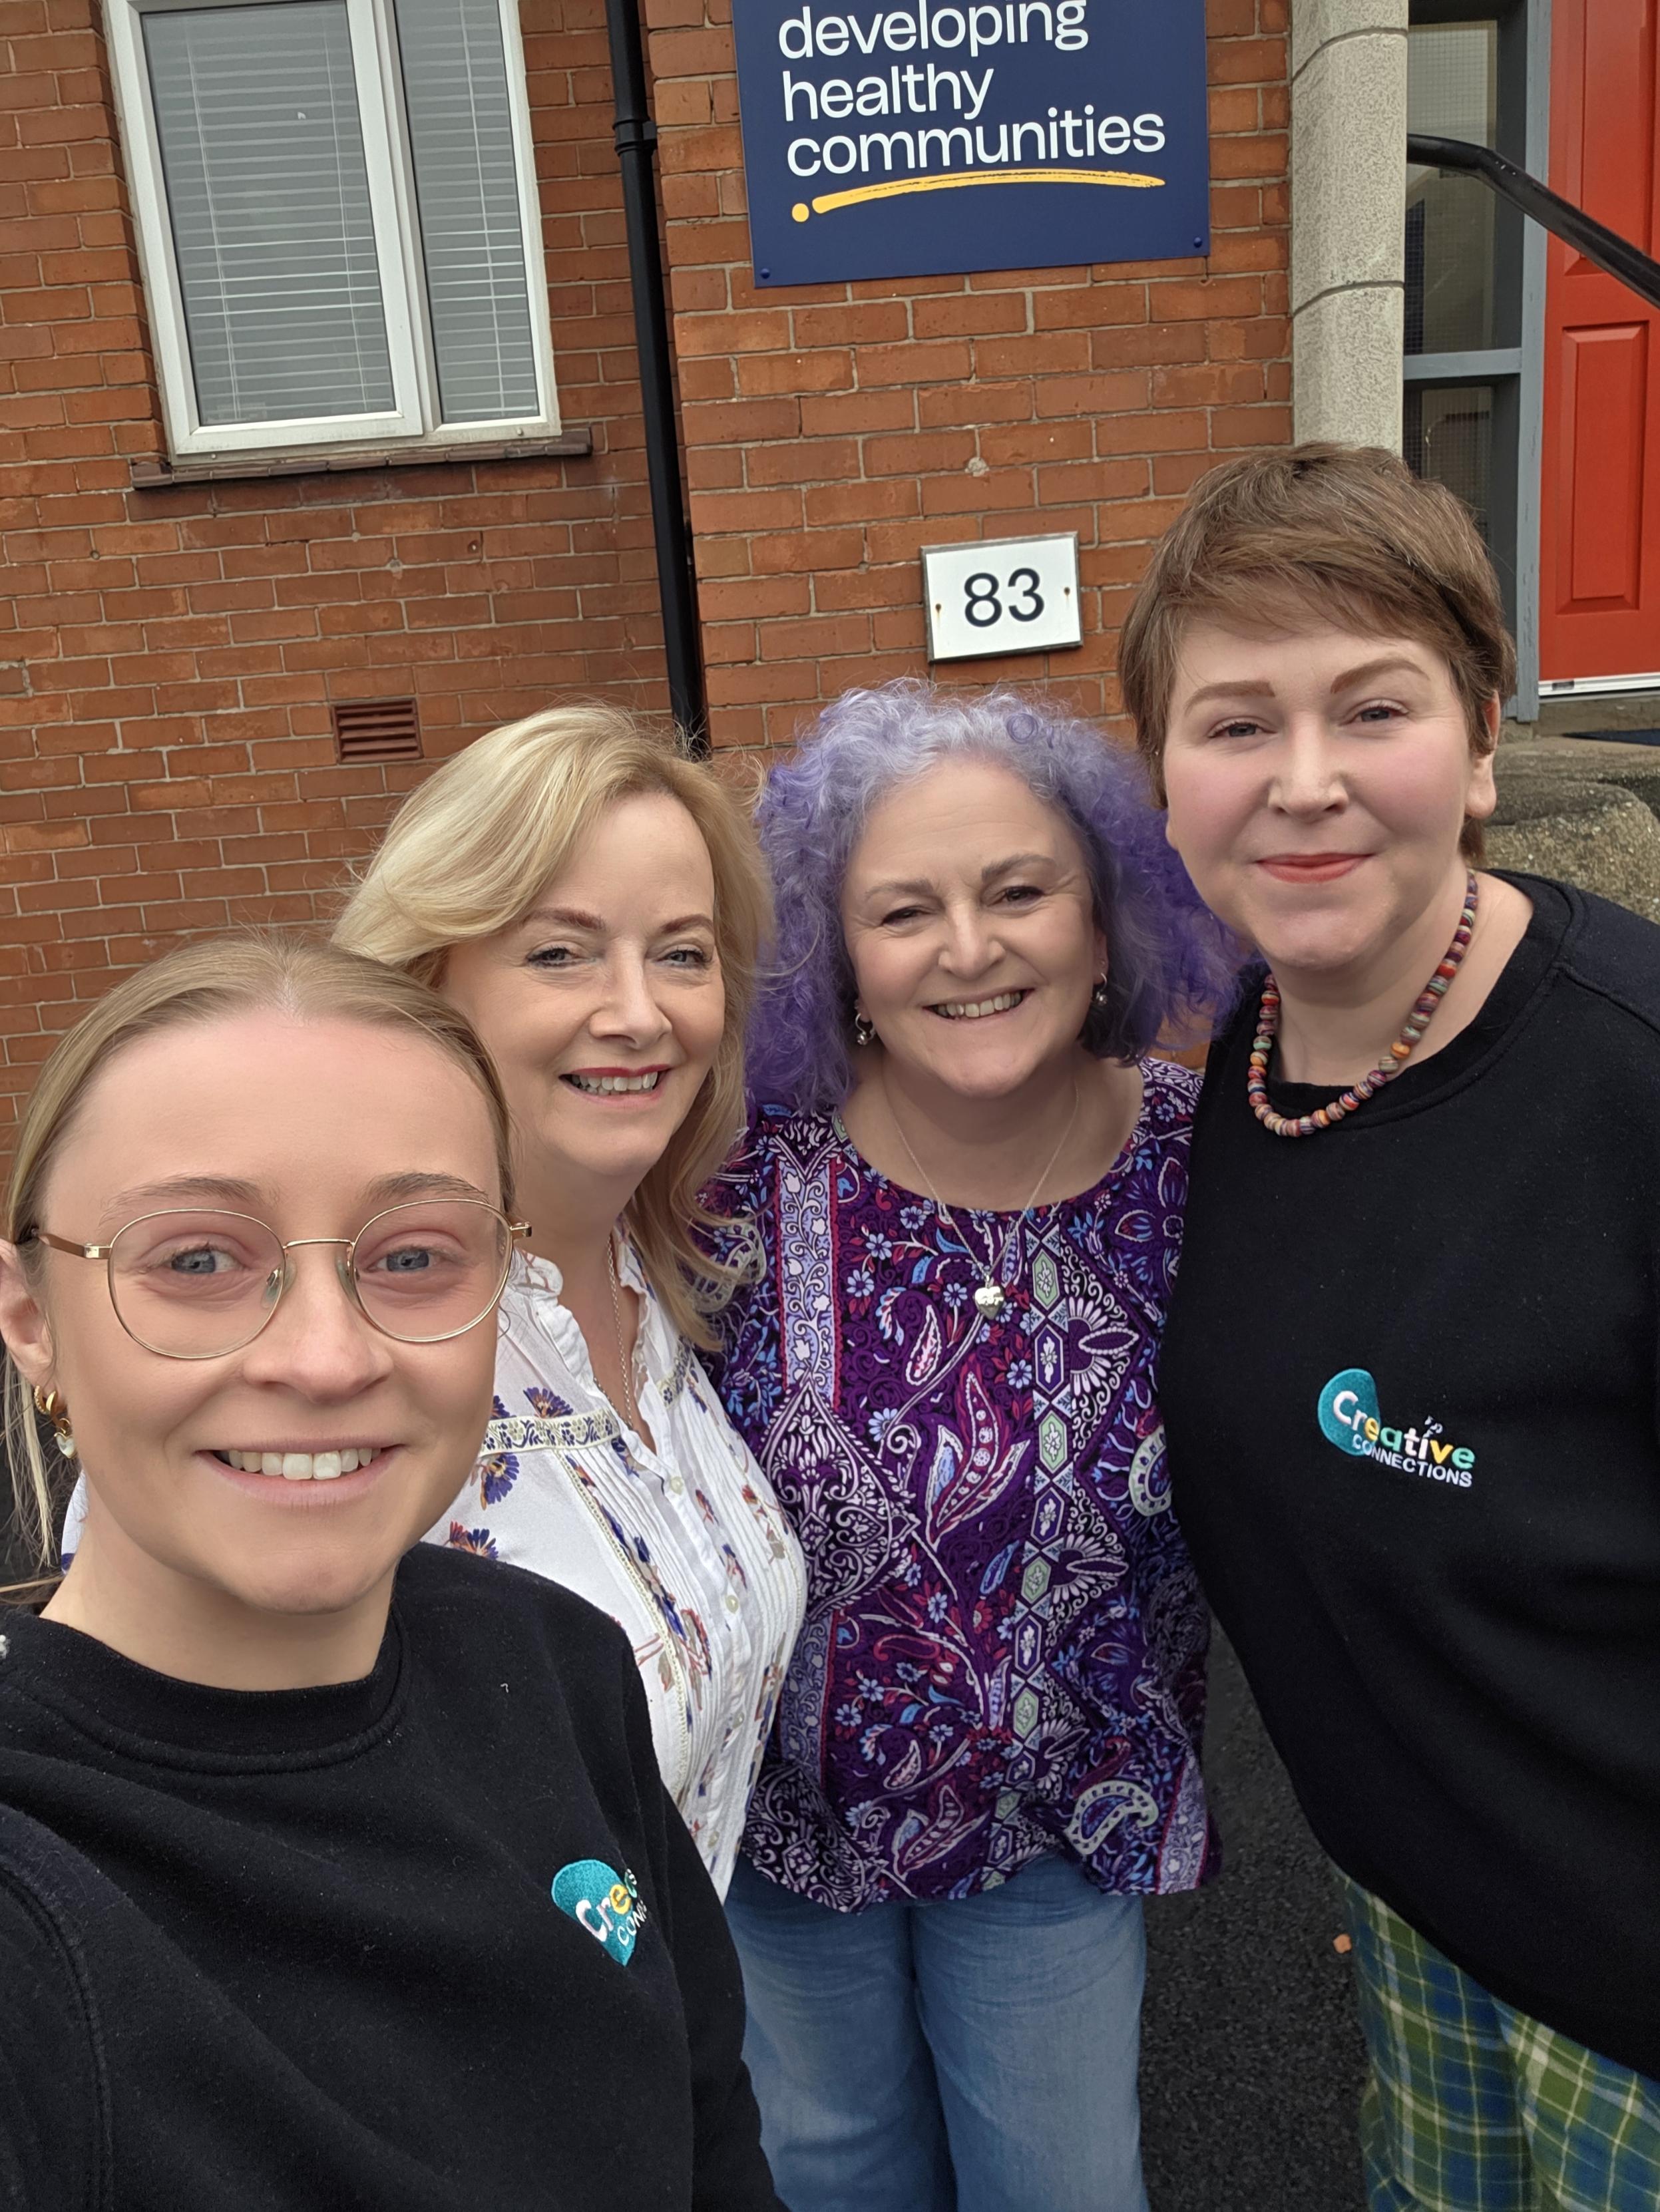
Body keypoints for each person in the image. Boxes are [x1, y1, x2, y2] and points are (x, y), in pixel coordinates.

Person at [0, 934, 781, 2212]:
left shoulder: (555, 1662)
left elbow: (712, 2144)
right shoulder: (37, 1883)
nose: (325, 1358)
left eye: (413, 1255)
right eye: (197, 1260)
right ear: (32, 1319)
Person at [1127, 445, 1660, 2209]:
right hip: (1423, 1922)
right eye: (1234, 723)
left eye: (1371, 707)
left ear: (1481, 736)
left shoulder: (1625, 1087)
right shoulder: (1240, 1059)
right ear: (1163, 776)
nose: (1303, 782)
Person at [708, 680, 1239, 2212]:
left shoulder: (1202, 1161)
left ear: (1104, 922)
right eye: (902, 910)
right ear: (837, 958)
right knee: (829, 2171)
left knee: (1059, 2185)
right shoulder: (733, 1175)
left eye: (1018, 892)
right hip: (785, 1833)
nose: (966, 947)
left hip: (1052, 1832)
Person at [332, 705, 805, 1897]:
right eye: (559, 953)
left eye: (682, 953)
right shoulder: (333, 1343)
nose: (640, 1013)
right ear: (429, 979)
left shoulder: (658, 1270)